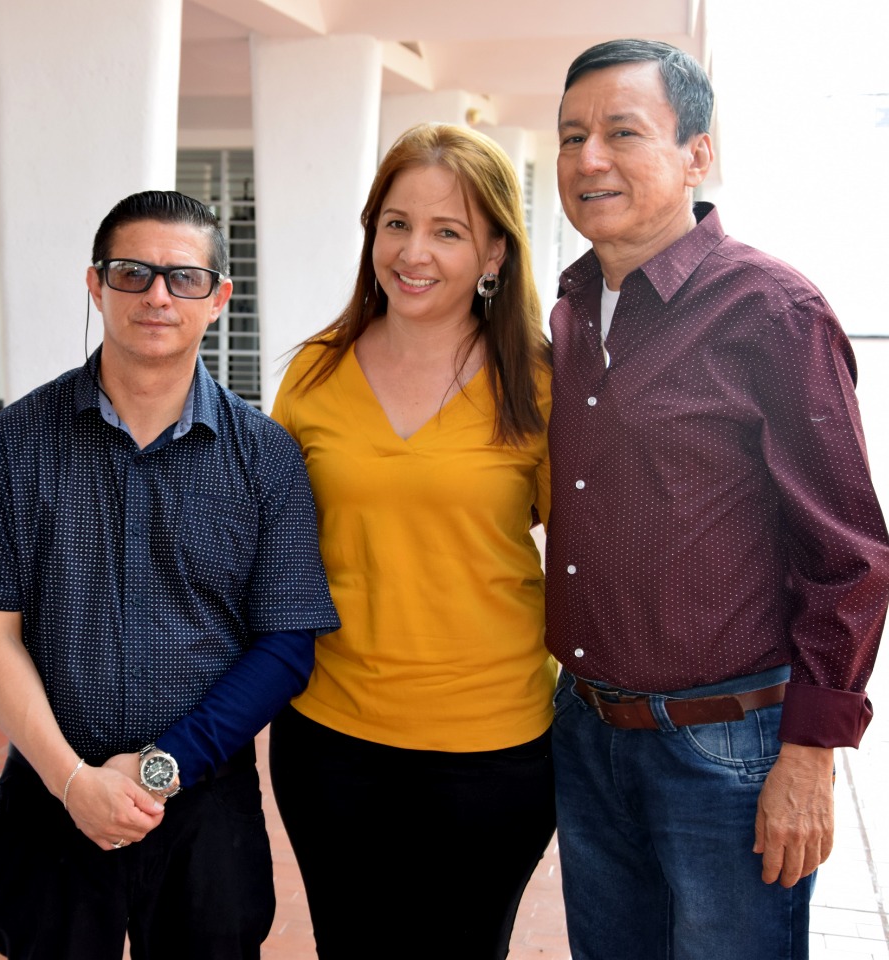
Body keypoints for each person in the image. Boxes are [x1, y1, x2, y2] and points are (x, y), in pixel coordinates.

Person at [0, 189, 340, 960]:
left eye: (183, 278)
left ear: (218, 298)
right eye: (132, 273)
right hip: (53, 791)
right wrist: (74, 780)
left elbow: (286, 647)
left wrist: (160, 769)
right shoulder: (16, 443)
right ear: (96, 285)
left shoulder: (266, 457)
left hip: (204, 801)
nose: (157, 294)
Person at [547, 38, 889, 959]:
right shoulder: (574, 305)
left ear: (698, 154)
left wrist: (811, 756)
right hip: (586, 729)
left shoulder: (771, 311)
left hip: (727, 749)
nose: (589, 159)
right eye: (572, 135)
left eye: (623, 132)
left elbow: (849, 551)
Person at [269, 122, 555, 958]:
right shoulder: (316, 370)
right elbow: (274, 547)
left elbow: (589, 555)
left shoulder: (539, 383)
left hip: (493, 748)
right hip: (332, 741)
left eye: (448, 230)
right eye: (396, 223)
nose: (413, 252)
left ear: (495, 253)